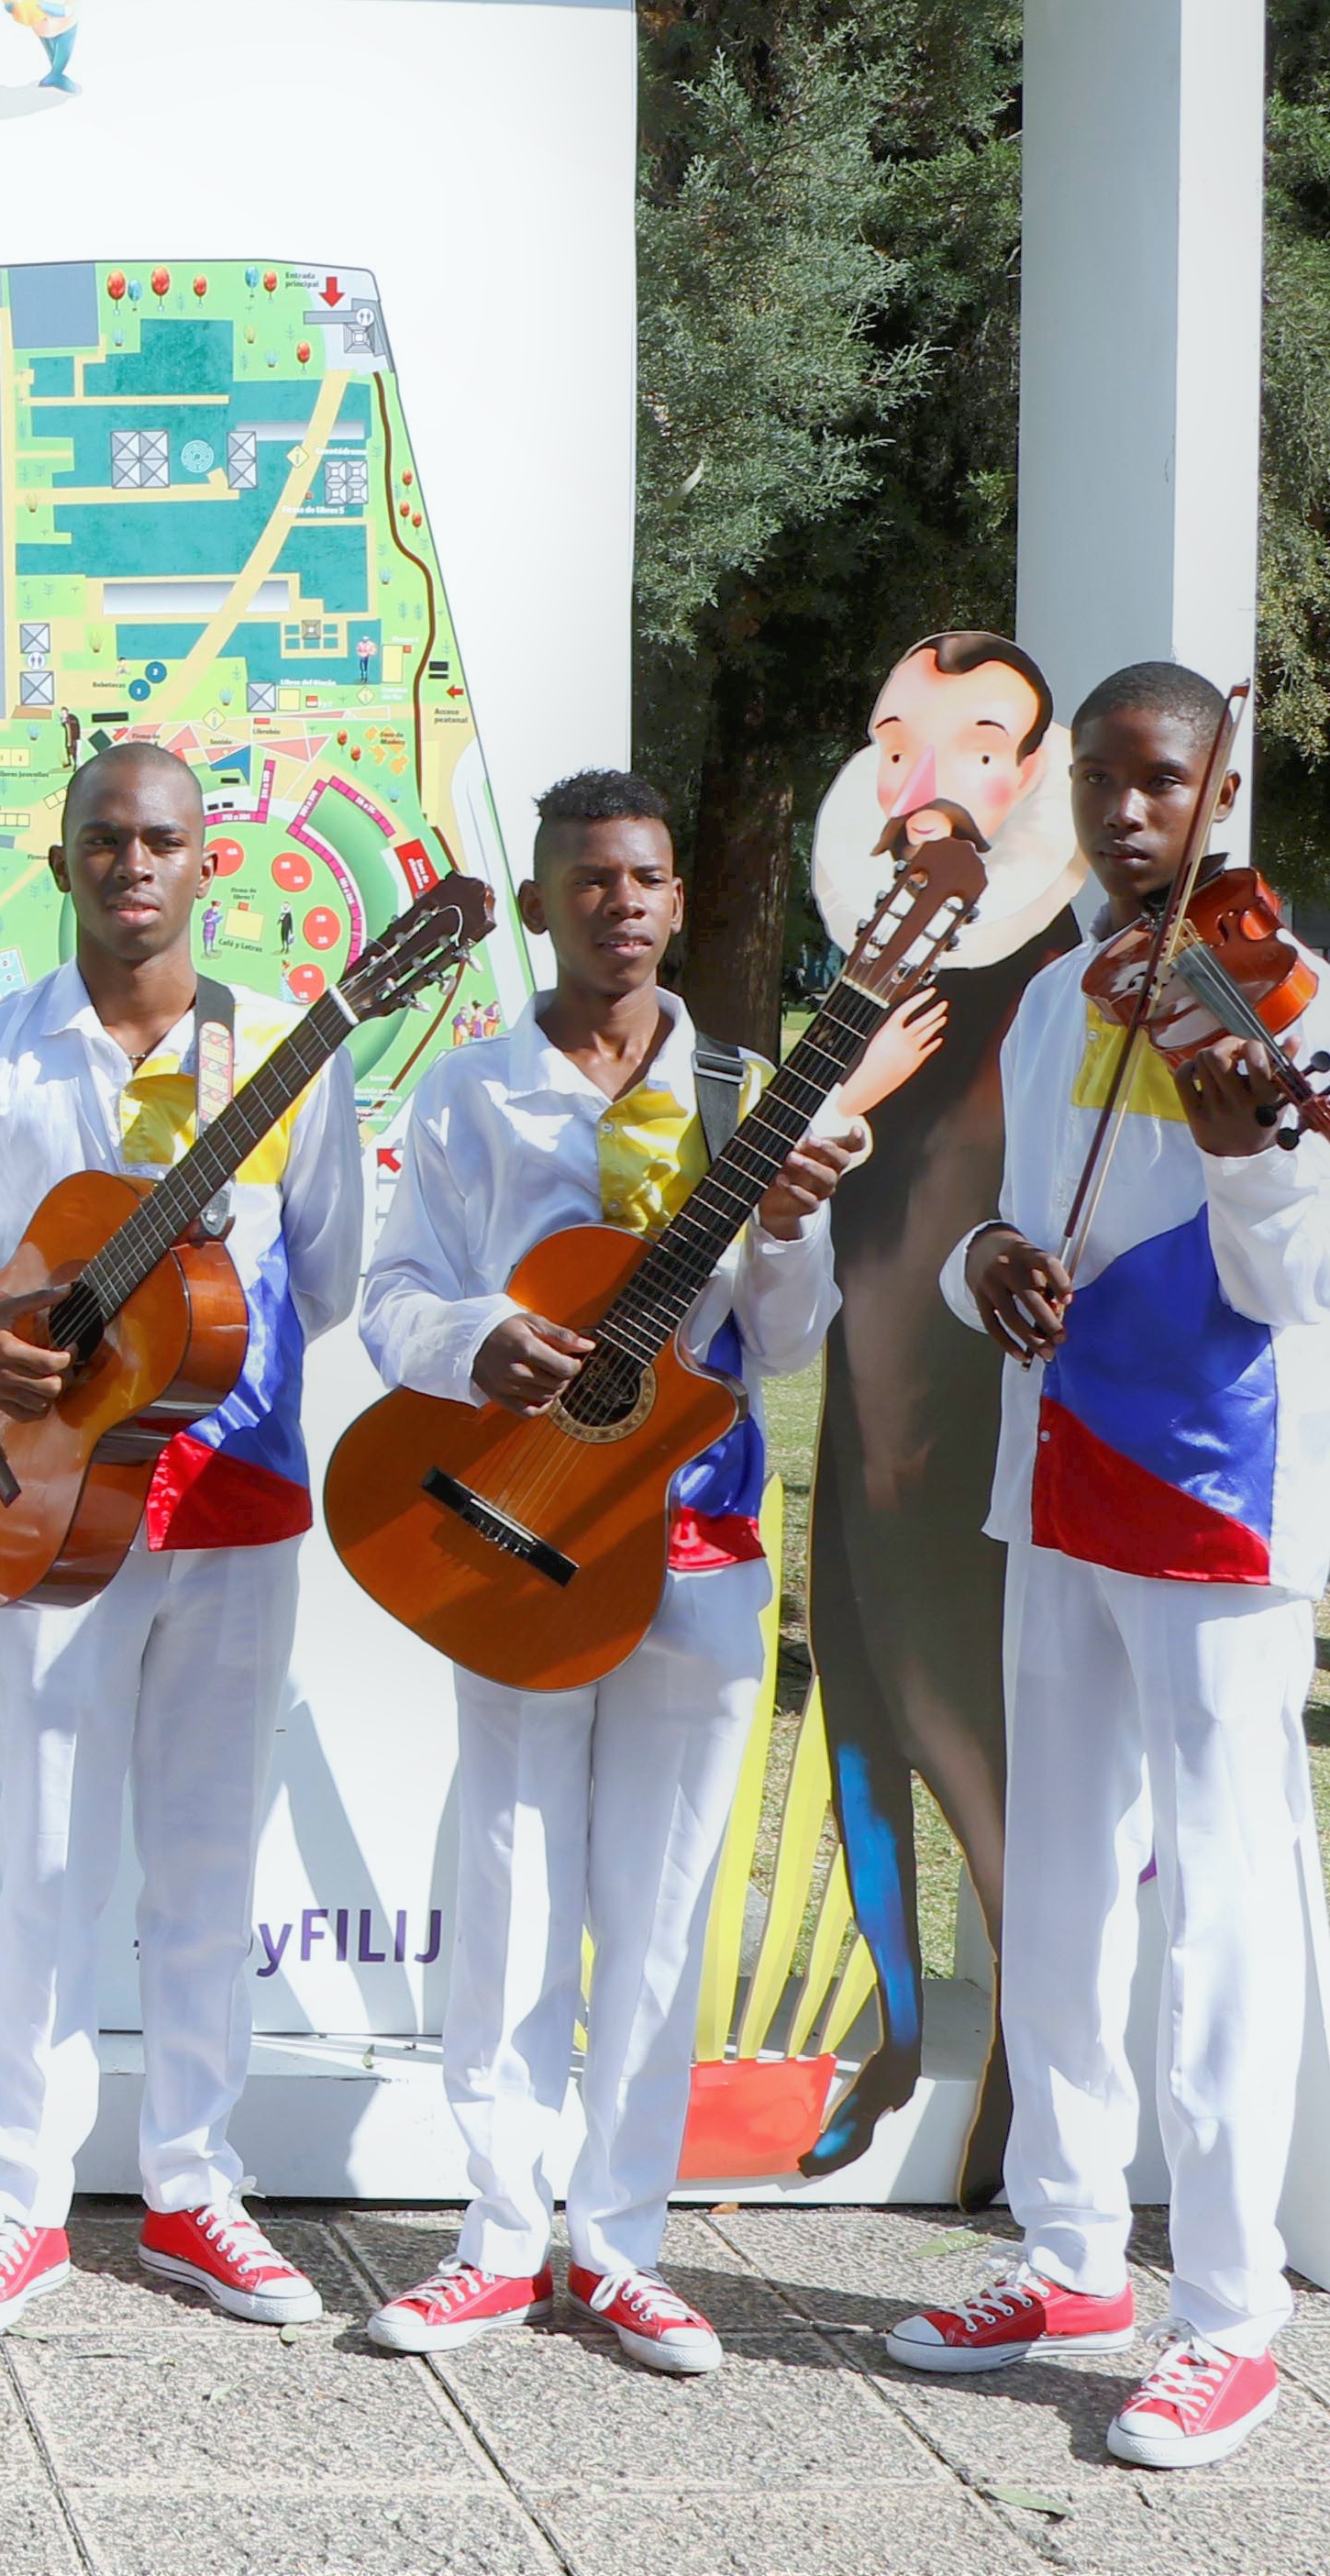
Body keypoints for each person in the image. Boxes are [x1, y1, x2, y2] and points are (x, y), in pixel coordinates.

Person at [888, 665, 1330, 2472]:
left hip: (1219, 1514)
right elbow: (1012, 1238)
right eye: (1099, 781)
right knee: (1068, 1889)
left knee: (1222, 1910)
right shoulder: (1058, 999)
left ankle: (1229, 2317)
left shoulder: (1297, 1003)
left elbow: (1306, 1289)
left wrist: (1251, 1161)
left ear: (1220, 790)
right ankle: (1071, 2250)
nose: (1125, 813)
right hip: (1060, 1489)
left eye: (1160, 781)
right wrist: (984, 1263)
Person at [0, 737, 369, 2335]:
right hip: (46, 1497)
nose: (132, 865)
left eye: (161, 841)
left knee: (205, 1859)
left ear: (208, 863)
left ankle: (197, 2189)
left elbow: (327, 1274)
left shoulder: (279, 1054)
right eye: (102, 840)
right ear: (62, 860)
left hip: (232, 1501)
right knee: (48, 1859)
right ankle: (19, 2205)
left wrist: (190, 1352)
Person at [350, 773, 862, 2372]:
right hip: (513, 1529)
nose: (621, 902)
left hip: (696, 1538)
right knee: (508, 1874)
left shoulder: (744, 1086)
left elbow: (782, 1339)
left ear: (679, 900)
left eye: (644, 876)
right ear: (534, 906)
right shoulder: (467, 1094)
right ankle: (497, 2235)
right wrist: (477, 1338)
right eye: (587, 880)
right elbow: (389, 1297)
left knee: (660, 1900)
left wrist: (782, 1231)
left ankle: (621, 2239)